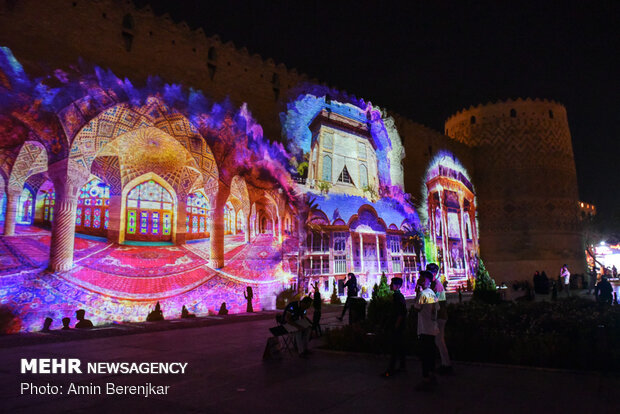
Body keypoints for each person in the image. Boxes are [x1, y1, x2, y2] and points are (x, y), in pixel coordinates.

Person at [414, 271, 439, 391]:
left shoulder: (423, 294)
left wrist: (417, 292)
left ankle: (426, 378)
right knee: (431, 353)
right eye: (420, 278)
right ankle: (432, 374)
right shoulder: (432, 293)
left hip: (425, 329)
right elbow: (436, 309)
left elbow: (417, 308)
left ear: (428, 280)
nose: (420, 280)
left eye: (423, 278)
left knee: (425, 354)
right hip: (432, 328)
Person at [427, 263, 453, 374]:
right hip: (438, 316)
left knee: (439, 340)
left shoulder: (437, 285)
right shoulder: (433, 284)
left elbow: (434, 302)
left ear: (435, 273)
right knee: (438, 341)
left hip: (440, 316)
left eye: (430, 272)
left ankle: (446, 364)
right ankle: (444, 363)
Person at [382, 277, 407, 377]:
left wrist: (396, 324)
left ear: (397, 286)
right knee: (400, 347)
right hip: (400, 326)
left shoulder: (397, 296)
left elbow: (402, 312)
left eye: (392, 283)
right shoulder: (399, 295)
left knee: (394, 348)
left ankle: (390, 370)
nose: (390, 285)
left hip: (397, 326)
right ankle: (402, 366)